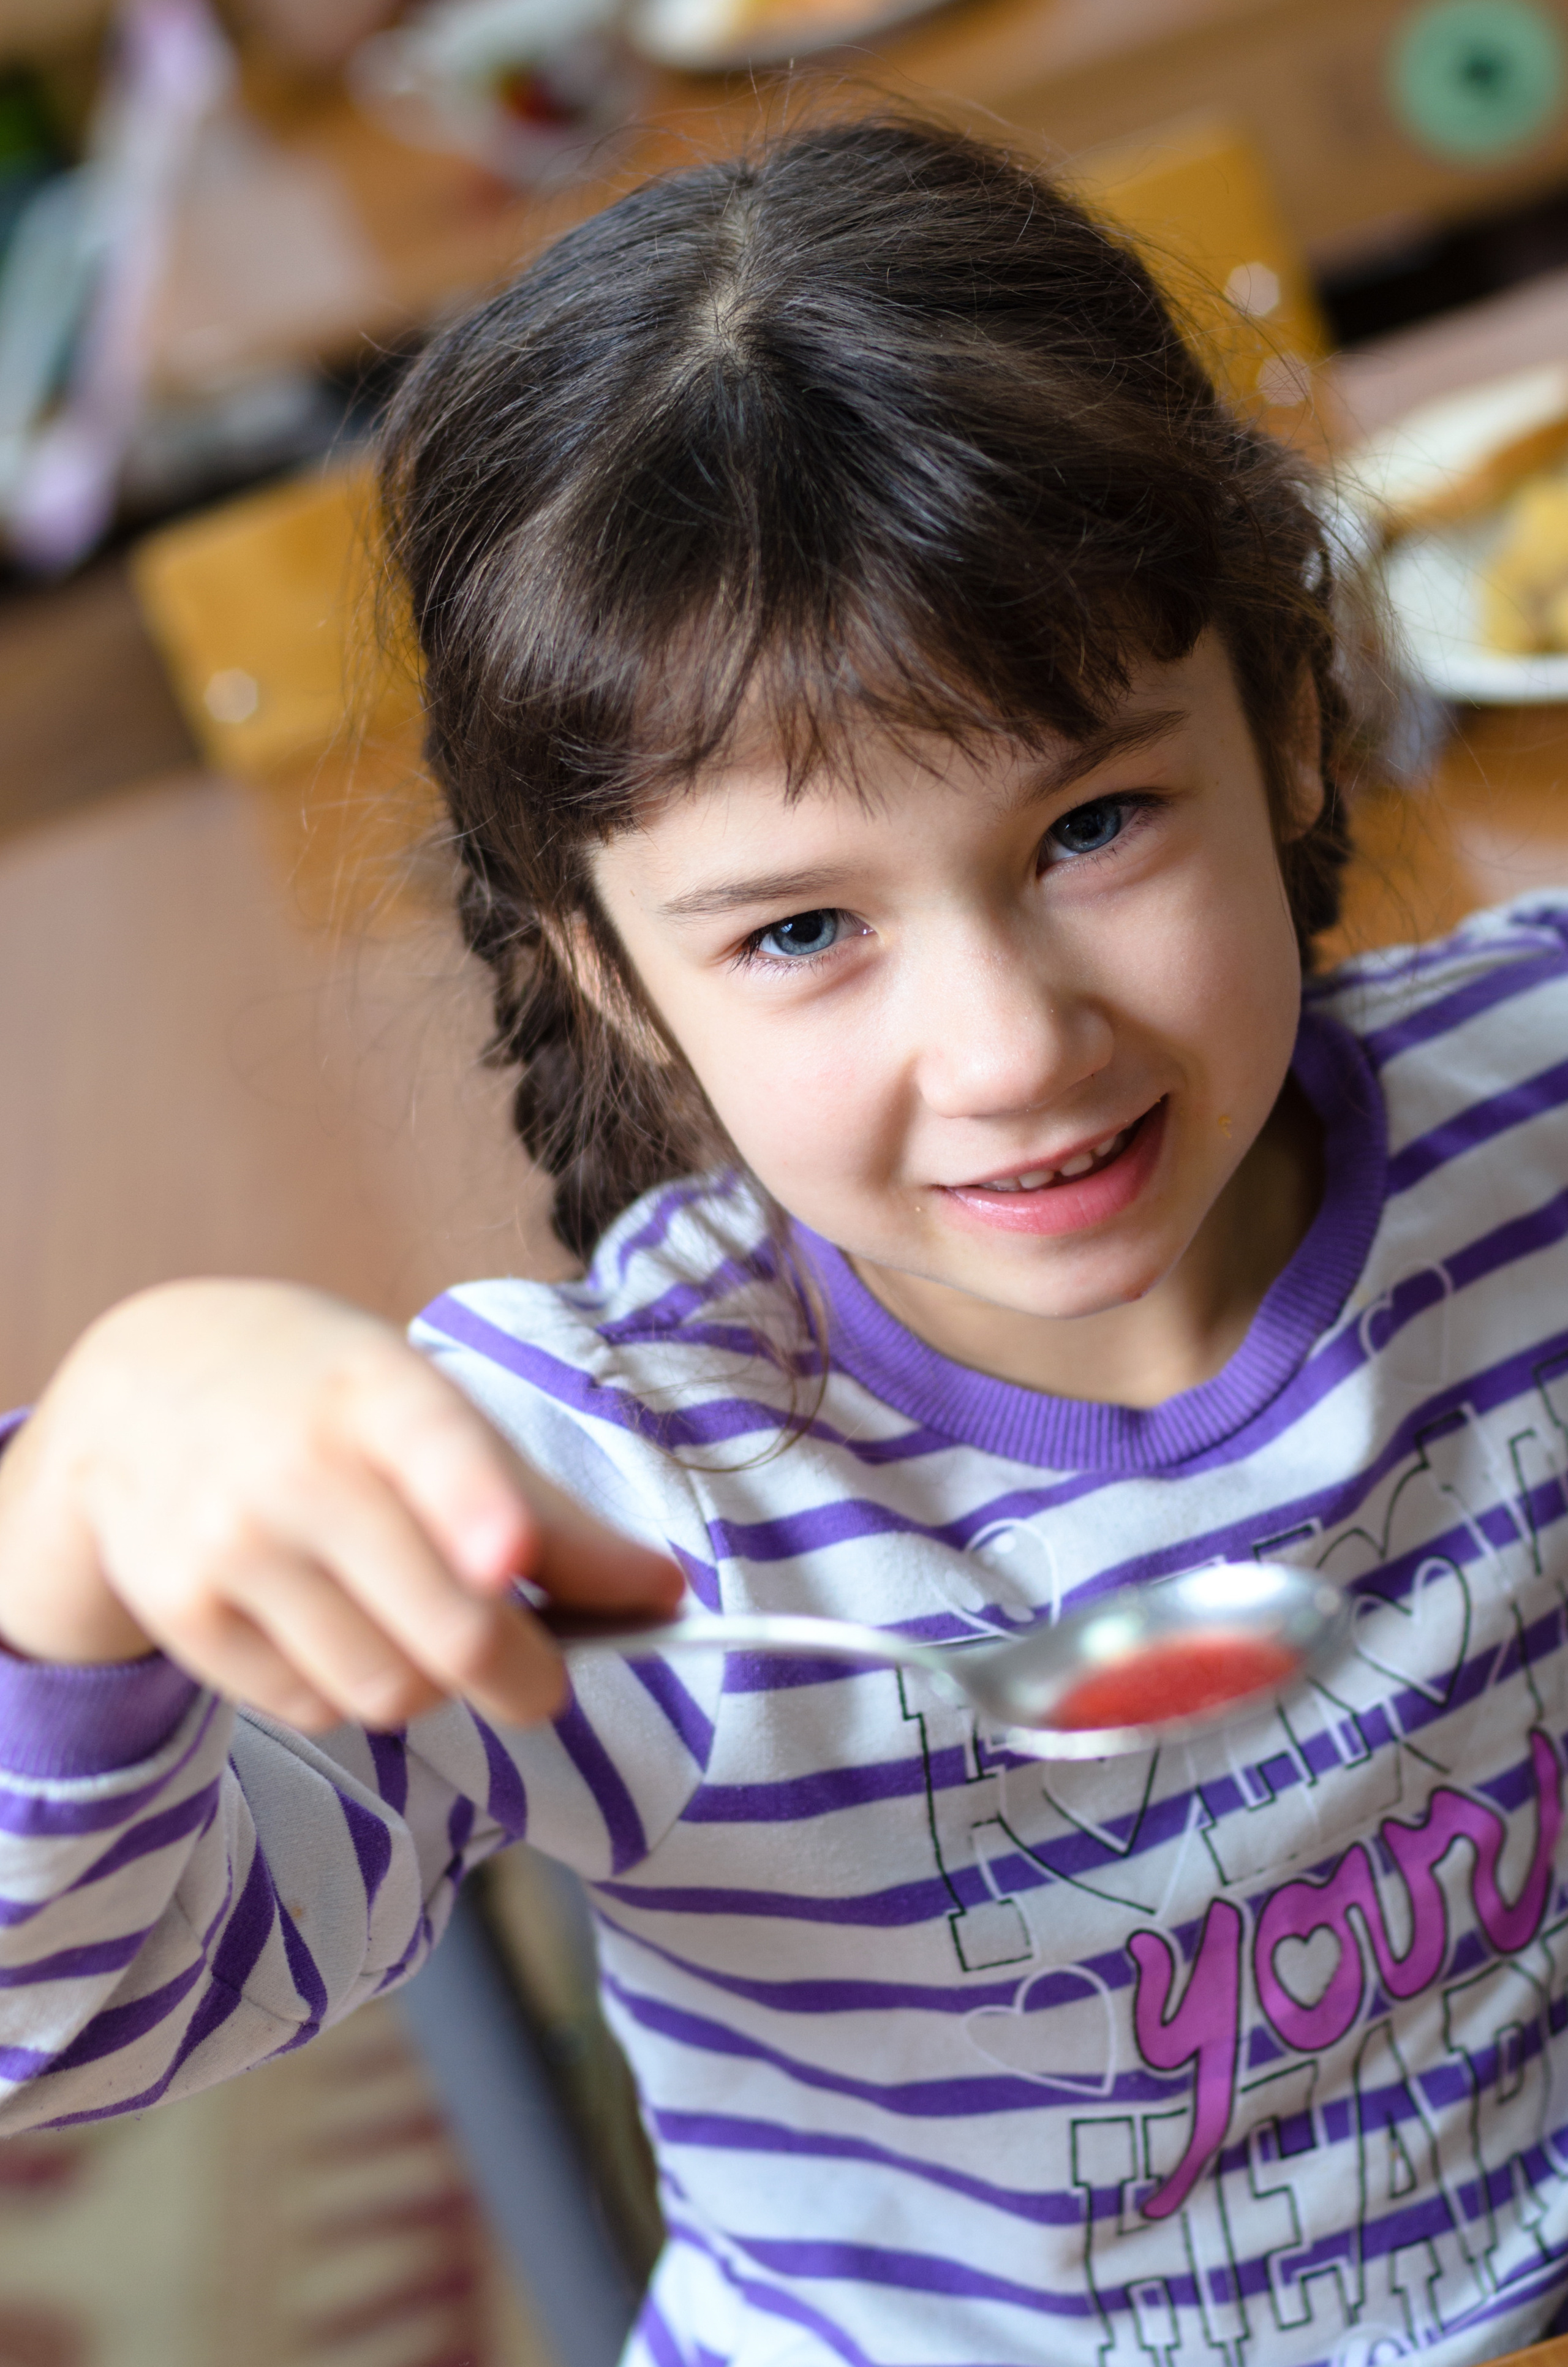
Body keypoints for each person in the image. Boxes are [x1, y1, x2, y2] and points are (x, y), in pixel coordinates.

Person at [0, 108, 1564, 2367]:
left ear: (1294, 732)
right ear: (613, 976)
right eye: (807, 929)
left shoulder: (1534, 1104)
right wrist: (79, 1503)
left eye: (1097, 821)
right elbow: (74, 2012)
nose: (1012, 1044)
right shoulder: (604, 1504)